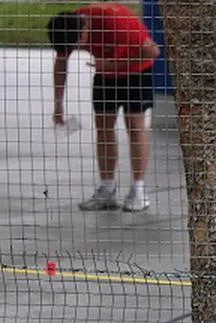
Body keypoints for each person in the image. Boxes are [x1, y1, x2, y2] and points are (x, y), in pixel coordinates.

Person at [48, 6, 160, 212]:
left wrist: (113, 66)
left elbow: (152, 51)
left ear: (84, 31)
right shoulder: (67, 28)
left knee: (135, 126)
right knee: (103, 127)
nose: (76, 48)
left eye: (76, 44)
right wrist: (58, 105)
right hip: (105, 72)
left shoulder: (117, 24)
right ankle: (107, 189)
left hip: (136, 70)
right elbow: (61, 63)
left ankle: (139, 190)